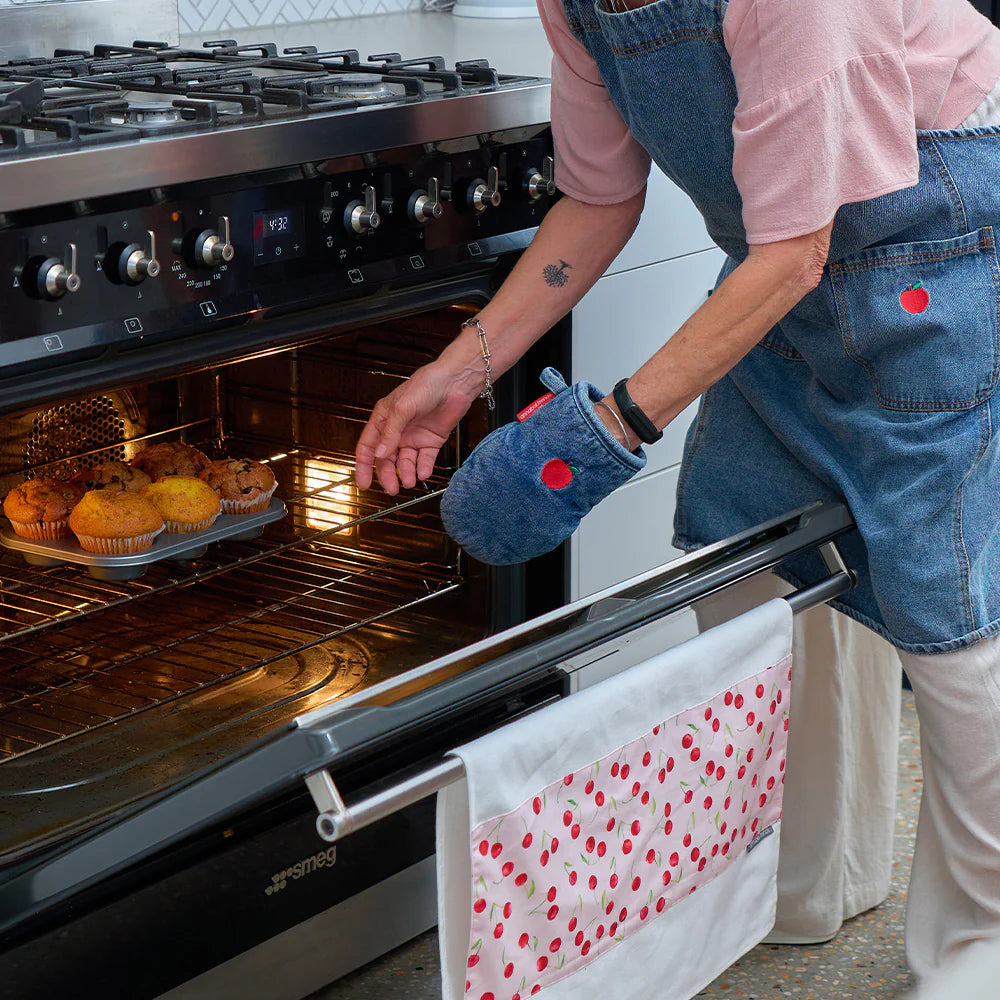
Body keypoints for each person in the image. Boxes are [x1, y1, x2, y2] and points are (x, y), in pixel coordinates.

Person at [354, 0, 1000, 983]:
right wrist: (461, 367)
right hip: (782, 264)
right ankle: (791, 882)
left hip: (937, 248)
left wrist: (608, 431)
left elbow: (794, 252)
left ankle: (976, 955)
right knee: (743, 558)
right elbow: (597, 200)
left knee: (946, 607)